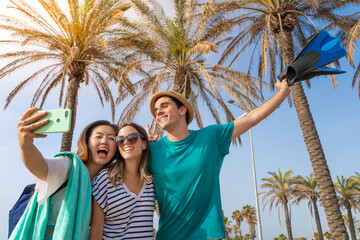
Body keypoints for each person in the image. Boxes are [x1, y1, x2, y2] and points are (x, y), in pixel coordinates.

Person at [148, 80, 291, 240]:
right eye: (155, 110)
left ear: (182, 110)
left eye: (164, 106)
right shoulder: (151, 151)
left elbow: (251, 118)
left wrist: (283, 92)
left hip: (209, 236)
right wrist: (140, 145)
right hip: (167, 236)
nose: (158, 112)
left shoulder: (210, 137)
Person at [10, 107, 120, 240]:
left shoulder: (106, 184)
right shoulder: (69, 165)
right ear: (87, 142)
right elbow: (41, 168)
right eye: (98, 136)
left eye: (111, 139)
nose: (104, 141)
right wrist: (26, 145)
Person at [89, 123, 155, 240]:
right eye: (120, 140)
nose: (126, 142)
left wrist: (156, 147)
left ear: (144, 143)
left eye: (133, 138)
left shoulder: (152, 180)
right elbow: (96, 230)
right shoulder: (105, 179)